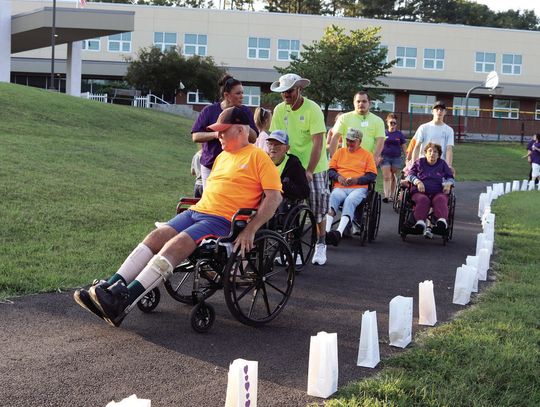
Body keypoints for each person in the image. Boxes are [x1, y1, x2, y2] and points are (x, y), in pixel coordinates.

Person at [74, 107, 282, 327]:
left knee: (177, 243)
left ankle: (124, 301)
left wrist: (251, 229)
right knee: (156, 236)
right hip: (198, 211)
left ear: (240, 130)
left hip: (222, 221)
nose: (218, 135)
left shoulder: (258, 157)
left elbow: (274, 198)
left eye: (223, 131)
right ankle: (109, 288)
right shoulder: (222, 157)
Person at [269, 73, 330, 266]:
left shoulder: (313, 109)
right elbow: (276, 140)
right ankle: (291, 249)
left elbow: (318, 144)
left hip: (315, 164)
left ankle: (321, 243)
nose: (286, 95)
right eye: (283, 92)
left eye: (289, 91)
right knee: (288, 206)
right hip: (291, 164)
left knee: (317, 204)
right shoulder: (279, 110)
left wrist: (310, 170)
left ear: (299, 89)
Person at [191, 74, 258, 187]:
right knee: (212, 199)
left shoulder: (245, 111)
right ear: (226, 95)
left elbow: (254, 138)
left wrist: (242, 121)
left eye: (242, 92)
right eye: (238, 93)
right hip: (210, 165)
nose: (242, 96)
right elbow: (195, 136)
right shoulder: (209, 110)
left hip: (237, 166)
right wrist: (216, 134)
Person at [325, 128, 377, 246]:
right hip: (340, 186)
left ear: (359, 141)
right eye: (347, 140)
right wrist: (338, 177)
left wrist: (357, 180)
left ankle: (338, 232)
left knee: (350, 200)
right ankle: (327, 232)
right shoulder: (340, 152)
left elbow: (372, 175)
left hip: (359, 188)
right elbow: (331, 170)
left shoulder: (367, 155)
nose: (349, 143)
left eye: (352, 141)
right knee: (333, 198)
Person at [406, 142, 455, 238]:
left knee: (441, 199)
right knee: (423, 200)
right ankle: (419, 224)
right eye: (430, 151)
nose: (432, 153)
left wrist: (448, 184)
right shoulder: (419, 162)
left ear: (439, 155)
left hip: (438, 192)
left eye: (435, 152)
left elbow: (450, 177)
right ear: (425, 153)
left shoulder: (442, 164)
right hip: (420, 192)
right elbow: (410, 175)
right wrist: (418, 182)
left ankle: (441, 223)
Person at [328, 91, 385, 164]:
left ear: (369, 103)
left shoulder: (378, 121)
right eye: (358, 101)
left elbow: (380, 141)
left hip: (367, 163)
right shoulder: (343, 118)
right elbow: (335, 137)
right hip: (346, 163)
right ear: (354, 103)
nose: (361, 104)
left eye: (364, 101)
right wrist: (333, 158)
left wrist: (375, 158)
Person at [266, 130, 310, 203]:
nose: (273, 147)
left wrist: (284, 185)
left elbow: (304, 192)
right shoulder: (263, 160)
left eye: (277, 144)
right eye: (270, 144)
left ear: (287, 148)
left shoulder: (293, 164)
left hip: (283, 204)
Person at [411, 101, 454, 172]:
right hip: (423, 163)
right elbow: (417, 146)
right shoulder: (424, 127)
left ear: (445, 112)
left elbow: (449, 149)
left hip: (439, 165)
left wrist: (448, 167)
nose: (439, 111)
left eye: (442, 110)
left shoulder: (449, 130)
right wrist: (414, 164)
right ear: (432, 111)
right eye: (437, 109)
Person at [381, 113, 407, 203]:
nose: (392, 124)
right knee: (386, 177)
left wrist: (406, 157)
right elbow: (378, 144)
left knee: (392, 175)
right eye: (391, 122)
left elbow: (403, 146)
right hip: (385, 157)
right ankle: (386, 196)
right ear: (387, 122)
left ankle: (392, 195)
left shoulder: (399, 134)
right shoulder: (383, 132)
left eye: (394, 123)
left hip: (396, 158)